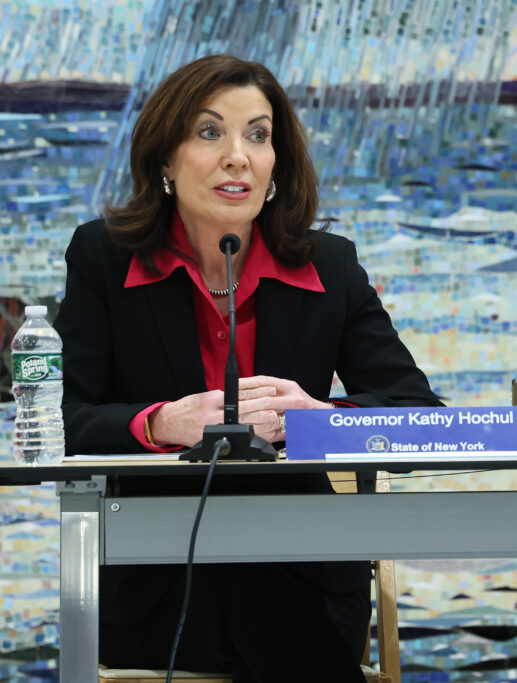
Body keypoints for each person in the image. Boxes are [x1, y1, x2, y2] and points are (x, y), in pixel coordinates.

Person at [55, 54, 442, 682]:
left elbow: (421, 420)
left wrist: (321, 421)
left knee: (254, 581)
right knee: (237, 581)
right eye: (210, 132)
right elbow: (63, 421)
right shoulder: (103, 258)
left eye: (258, 136)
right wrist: (162, 425)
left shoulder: (331, 267)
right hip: (159, 584)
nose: (238, 155)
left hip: (302, 572)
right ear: (163, 160)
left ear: (275, 166)